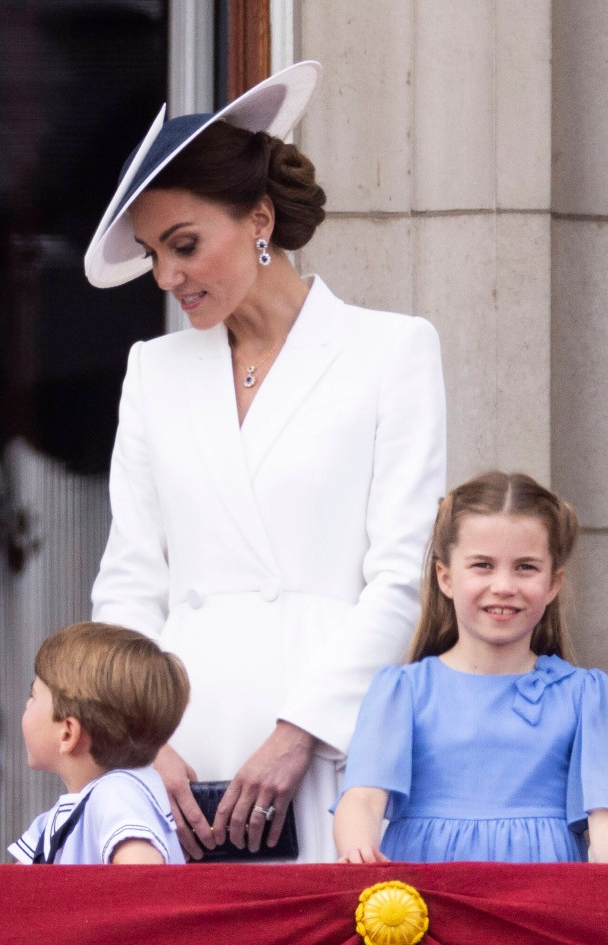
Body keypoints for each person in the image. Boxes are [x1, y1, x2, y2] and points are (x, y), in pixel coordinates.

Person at [83, 60, 446, 862]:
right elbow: (131, 578)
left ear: (257, 219)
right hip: (180, 746)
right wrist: (141, 744)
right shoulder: (154, 369)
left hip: (332, 741)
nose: (169, 277)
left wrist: (299, 733)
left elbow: (402, 577)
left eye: (184, 245)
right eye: (151, 255)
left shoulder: (391, 351)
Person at [334, 471, 608, 864]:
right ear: (445, 577)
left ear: (553, 583)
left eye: (525, 567)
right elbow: (362, 797)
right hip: (422, 900)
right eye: (482, 565)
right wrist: (357, 853)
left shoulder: (585, 694)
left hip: (541, 897)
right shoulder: (403, 690)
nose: (503, 585)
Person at [8, 622, 189, 865]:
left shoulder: (117, 793)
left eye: (33, 696)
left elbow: (143, 876)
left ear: (67, 734)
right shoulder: (56, 820)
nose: (27, 704)